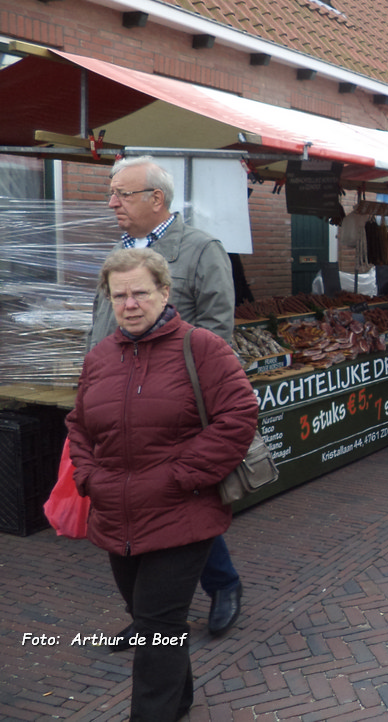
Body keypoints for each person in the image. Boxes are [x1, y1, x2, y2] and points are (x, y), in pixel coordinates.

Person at [67, 248, 257, 721]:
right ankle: (180, 699)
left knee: (154, 624)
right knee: (154, 619)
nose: (130, 304)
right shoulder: (100, 358)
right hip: (116, 515)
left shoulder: (202, 348)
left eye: (140, 293)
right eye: (119, 295)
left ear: (165, 292)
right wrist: (89, 477)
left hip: (181, 511)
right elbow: (79, 426)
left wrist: (181, 477)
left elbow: (238, 416)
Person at [87, 156, 244, 644]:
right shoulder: (119, 252)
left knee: (181, 503)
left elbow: (218, 328)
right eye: (112, 193)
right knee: (140, 507)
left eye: (122, 193)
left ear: (156, 199)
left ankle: (221, 586)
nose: (112, 203)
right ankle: (150, 613)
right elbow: (100, 325)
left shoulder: (201, 250)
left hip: (173, 412)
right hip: (119, 401)